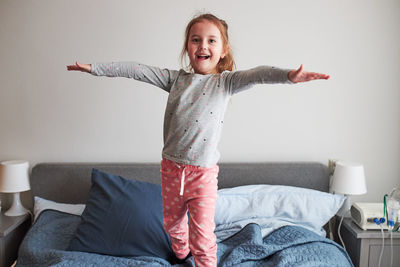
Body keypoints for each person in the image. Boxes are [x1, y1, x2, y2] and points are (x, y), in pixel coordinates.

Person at [67, 13, 329, 267]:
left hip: (202, 175)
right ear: (187, 47)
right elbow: (137, 70)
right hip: (171, 170)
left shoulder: (225, 83)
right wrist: (94, 69)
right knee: (172, 225)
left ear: (223, 49)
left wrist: (289, 76)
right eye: (195, 39)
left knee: (203, 238)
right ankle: (181, 254)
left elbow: (258, 74)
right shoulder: (176, 79)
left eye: (211, 40)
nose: (203, 45)